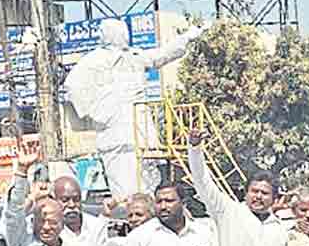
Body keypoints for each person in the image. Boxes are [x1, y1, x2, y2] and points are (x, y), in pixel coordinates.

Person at [64, 18, 204, 201]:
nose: (124, 35)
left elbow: (160, 55)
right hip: (115, 134)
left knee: (150, 184)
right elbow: (72, 85)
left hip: (142, 131)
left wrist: (186, 37)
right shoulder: (93, 60)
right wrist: (97, 113)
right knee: (126, 190)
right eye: (119, 32)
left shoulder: (134, 56)